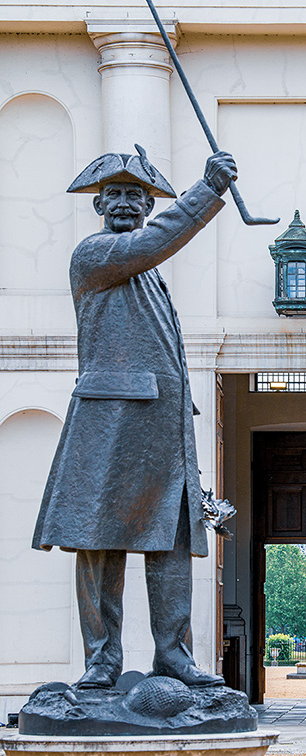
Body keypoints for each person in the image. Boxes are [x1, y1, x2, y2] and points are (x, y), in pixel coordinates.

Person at [32, 145, 237, 689]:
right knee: (99, 541)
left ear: (147, 204)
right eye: (115, 194)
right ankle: (102, 660)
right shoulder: (96, 254)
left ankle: (174, 656)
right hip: (108, 424)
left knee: (170, 539)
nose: (125, 203)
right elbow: (152, 244)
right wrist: (206, 190)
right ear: (99, 204)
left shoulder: (148, 276)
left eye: (135, 196)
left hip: (162, 431)